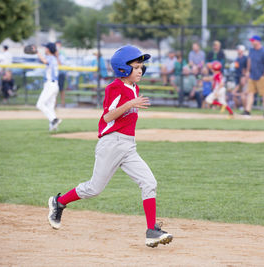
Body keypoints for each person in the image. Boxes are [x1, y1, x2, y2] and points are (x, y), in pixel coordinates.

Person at [47, 45, 173, 248]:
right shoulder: (114, 88)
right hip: (111, 143)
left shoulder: (134, 88)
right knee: (94, 189)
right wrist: (130, 104)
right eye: (137, 67)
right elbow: (107, 116)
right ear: (123, 69)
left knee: (149, 182)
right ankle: (59, 202)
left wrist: (132, 102)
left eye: (142, 67)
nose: (141, 70)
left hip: (128, 146)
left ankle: (151, 231)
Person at [36, 42, 62, 131]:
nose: (45, 49)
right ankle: (53, 128)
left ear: (48, 49)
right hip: (54, 85)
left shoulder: (50, 58)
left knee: (40, 104)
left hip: (50, 85)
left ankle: (54, 120)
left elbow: (44, 61)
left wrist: (37, 52)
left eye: (46, 48)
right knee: (50, 107)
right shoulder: (54, 58)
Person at [244, 35, 264, 118]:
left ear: (258, 41)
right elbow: (249, 61)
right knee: (250, 93)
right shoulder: (252, 50)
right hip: (252, 75)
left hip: (261, 76)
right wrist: (248, 71)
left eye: (253, 40)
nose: (252, 42)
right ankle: (247, 111)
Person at [232, 45, 248, 110]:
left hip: (243, 78)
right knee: (235, 94)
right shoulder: (237, 59)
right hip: (237, 77)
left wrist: (245, 77)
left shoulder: (245, 58)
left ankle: (245, 108)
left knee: (243, 94)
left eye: (239, 49)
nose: (237, 50)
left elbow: (246, 69)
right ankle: (238, 107)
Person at [55, 40, 67, 107]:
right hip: (55, 74)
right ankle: (55, 103)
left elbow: (60, 64)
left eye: (58, 45)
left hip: (61, 73)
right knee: (55, 89)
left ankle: (63, 103)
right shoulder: (53, 53)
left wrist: (57, 56)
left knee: (61, 89)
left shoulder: (62, 53)